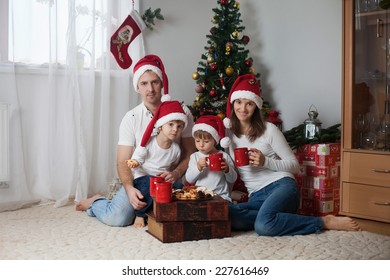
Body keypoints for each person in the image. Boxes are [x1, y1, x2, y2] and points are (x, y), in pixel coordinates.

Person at [223, 74, 360, 236]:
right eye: (239, 102)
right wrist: (226, 169)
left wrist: (265, 161)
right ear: (233, 103)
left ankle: (323, 221)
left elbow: (294, 165)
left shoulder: (269, 130)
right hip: (256, 196)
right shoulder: (228, 135)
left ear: (256, 106)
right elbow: (233, 175)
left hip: (281, 187)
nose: (243, 109)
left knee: (263, 226)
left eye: (249, 104)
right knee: (227, 214)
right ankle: (277, 218)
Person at [76, 54, 196, 227]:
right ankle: (97, 202)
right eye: (144, 83)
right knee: (118, 218)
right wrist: (130, 189)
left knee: (183, 216)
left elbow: (190, 152)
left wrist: (176, 173)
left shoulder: (181, 112)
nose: (150, 89)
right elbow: (122, 161)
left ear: (162, 83)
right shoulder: (131, 118)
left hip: (168, 180)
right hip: (140, 179)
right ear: (137, 87)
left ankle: (142, 208)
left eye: (155, 82)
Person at [127, 100, 187, 227]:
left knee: (179, 187)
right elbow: (138, 158)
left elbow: (171, 166)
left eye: (179, 126)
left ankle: (161, 211)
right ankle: (140, 214)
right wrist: (134, 163)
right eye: (171, 124)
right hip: (143, 178)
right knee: (149, 185)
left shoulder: (176, 149)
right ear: (160, 126)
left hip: (160, 180)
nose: (175, 129)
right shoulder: (149, 143)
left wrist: (170, 175)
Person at [185, 115, 237, 202]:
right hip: (201, 196)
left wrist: (227, 169)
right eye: (197, 141)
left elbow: (233, 179)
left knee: (229, 211)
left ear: (215, 140)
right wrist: (198, 167)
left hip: (221, 197)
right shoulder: (194, 157)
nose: (201, 145)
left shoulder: (224, 156)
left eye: (206, 141)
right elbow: (189, 179)